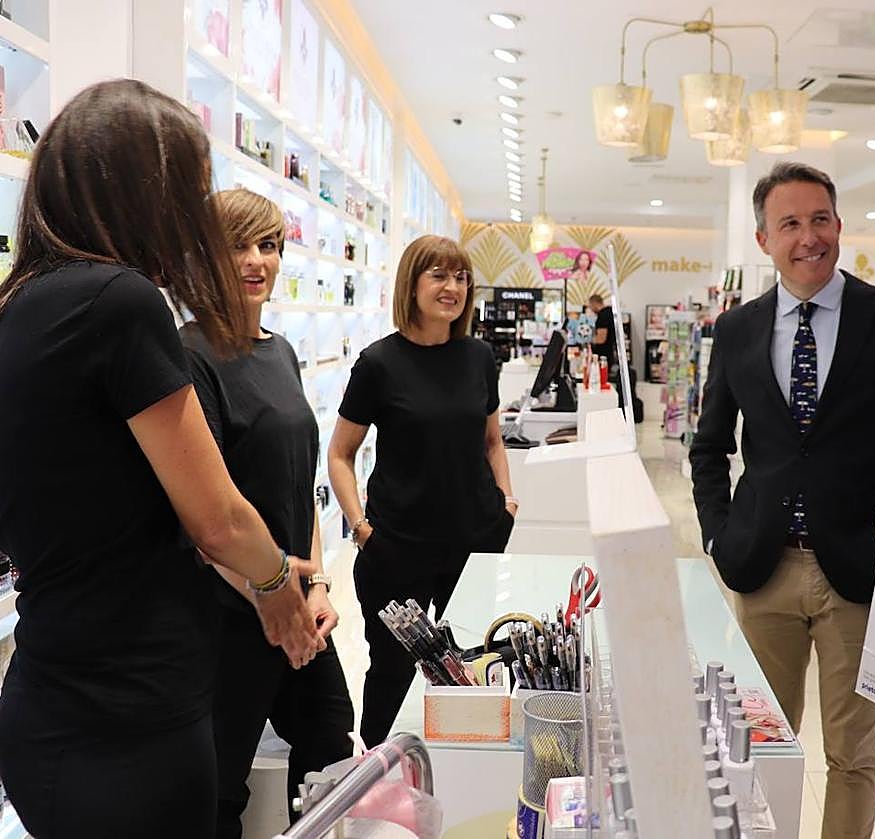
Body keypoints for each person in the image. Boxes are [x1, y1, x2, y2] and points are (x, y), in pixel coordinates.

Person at [0, 79, 321, 839]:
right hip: (131, 718)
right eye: (188, 190)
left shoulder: (19, 304)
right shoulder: (121, 302)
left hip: (49, 695)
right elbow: (215, 516)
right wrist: (277, 584)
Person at [689, 161, 875, 839]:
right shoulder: (738, 329)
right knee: (757, 744)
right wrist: (717, 534)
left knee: (852, 752)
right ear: (765, 237)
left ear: (839, 224)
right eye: (790, 223)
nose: (809, 237)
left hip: (861, 569)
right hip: (761, 567)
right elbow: (709, 446)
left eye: (820, 219)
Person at [181, 189, 354, 837]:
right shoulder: (189, 356)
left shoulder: (280, 351)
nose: (256, 261)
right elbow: (205, 510)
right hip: (229, 615)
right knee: (218, 788)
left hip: (294, 606)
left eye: (270, 245)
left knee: (332, 754)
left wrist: (314, 586)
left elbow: (299, 482)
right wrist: (270, 594)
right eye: (237, 245)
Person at [329, 235, 517, 746]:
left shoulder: (479, 358)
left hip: (474, 540)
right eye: (438, 275)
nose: (452, 287)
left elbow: (492, 440)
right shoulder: (378, 363)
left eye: (460, 278)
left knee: (473, 670)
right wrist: (362, 528)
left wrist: (506, 501)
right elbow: (340, 455)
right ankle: (373, 781)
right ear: (411, 285)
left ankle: (462, 783)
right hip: (397, 548)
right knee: (391, 674)